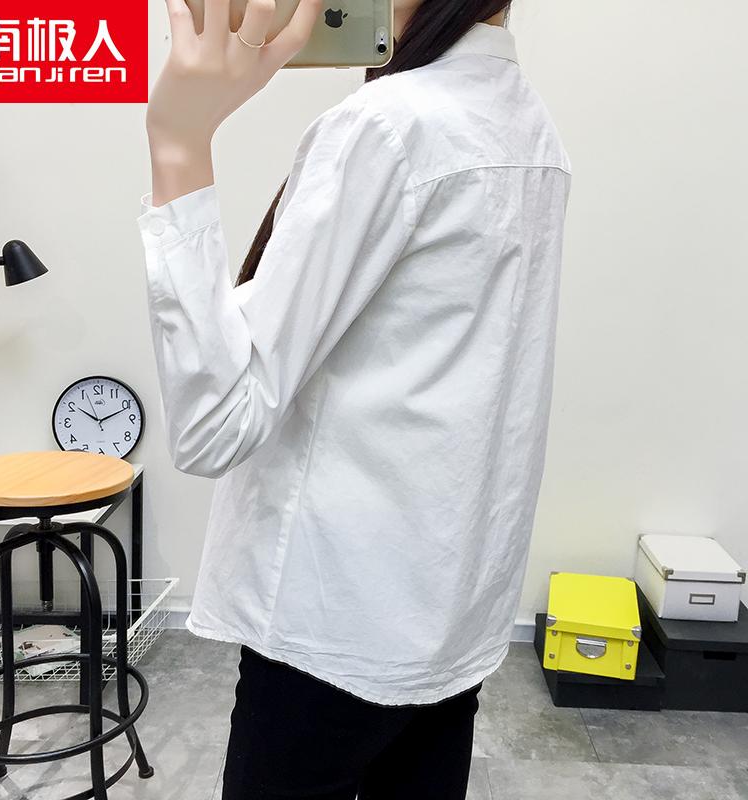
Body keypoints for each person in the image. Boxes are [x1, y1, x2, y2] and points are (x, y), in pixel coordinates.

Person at [137, 0, 572, 797]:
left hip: (330, 627)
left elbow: (214, 425)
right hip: (448, 618)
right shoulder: (529, 127)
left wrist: (178, 140)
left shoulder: (388, 126)